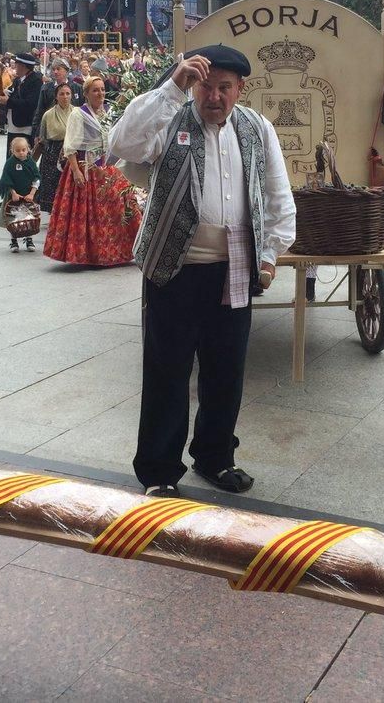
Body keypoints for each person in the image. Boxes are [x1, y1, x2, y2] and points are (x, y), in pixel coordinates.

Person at [108, 44, 296, 497]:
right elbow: (121, 143)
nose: (214, 96)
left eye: (224, 88)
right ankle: (158, 470)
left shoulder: (257, 127)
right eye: (205, 86)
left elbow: (277, 194)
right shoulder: (170, 118)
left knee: (225, 371)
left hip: (233, 267)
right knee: (167, 371)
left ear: (240, 89)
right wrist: (173, 87)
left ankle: (215, 457)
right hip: (174, 268)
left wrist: (269, 256)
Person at [44, 76, 142, 265]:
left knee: (120, 206)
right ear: (87, 94)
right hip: (85, 166)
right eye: (95, 90)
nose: (100, 94)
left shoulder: (106, 112)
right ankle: (92, 253)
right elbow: (70, 146)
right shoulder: (78, 114)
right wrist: (76, 171)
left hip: (107, 167)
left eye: (103, 89)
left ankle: (119, 250)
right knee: (90, 215)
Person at [35, 83, 74, 213]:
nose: (65, 97)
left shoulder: (77, 113)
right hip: (52, 152)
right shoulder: (48, 114)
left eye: (68, 93)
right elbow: (43, 136)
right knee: (52, 185)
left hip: (71, 152)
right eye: (61, 94)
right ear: (56, 97)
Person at [0, 136, 41, 252]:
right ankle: (14, 241)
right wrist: (13, 193)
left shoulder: (31, 163)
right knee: (13, 219)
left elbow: (37, 178)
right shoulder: (10, 163)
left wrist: (32, 193)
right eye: (17, 150)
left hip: (27, 196)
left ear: (28, 149)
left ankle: (29, 239)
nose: (21, 153)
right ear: (12, 151)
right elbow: (6, 179)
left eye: (23, 150)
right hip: (14, 197)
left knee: (29, 217)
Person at [31, 58, 83, 140]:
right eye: (53, 69)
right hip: (53, 133)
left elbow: (82, 110)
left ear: (66, 70)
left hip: (73, 133)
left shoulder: (77, 88)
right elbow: (40, 110)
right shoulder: (46, 88)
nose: (55, 72)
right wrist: (36, 133)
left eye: (58, 69)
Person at [4, 53, 42, 156]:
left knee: (22, 158)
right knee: (11, 158)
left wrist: (8, 101)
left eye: (16, 64)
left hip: (24, 126)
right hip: (13, 125)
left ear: (23, 66)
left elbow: (30, 104)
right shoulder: (17, 80)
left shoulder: (36, 81)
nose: (14, 67)